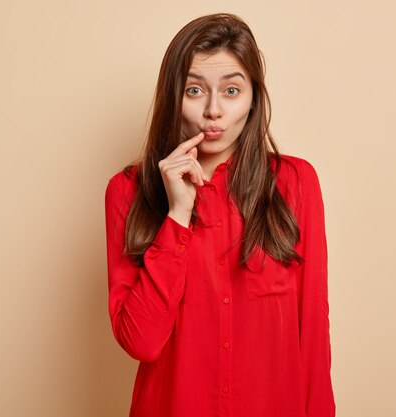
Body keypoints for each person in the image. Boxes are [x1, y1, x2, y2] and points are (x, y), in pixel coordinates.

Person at [105, 13, 335, 417]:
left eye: (231, 90)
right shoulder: (128, 191)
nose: (213, 110)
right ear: (172, 96)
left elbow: (313, 330)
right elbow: (141, 342)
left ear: (253, 99)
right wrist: (177, 214)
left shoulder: (295, 183)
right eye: (195, 90)